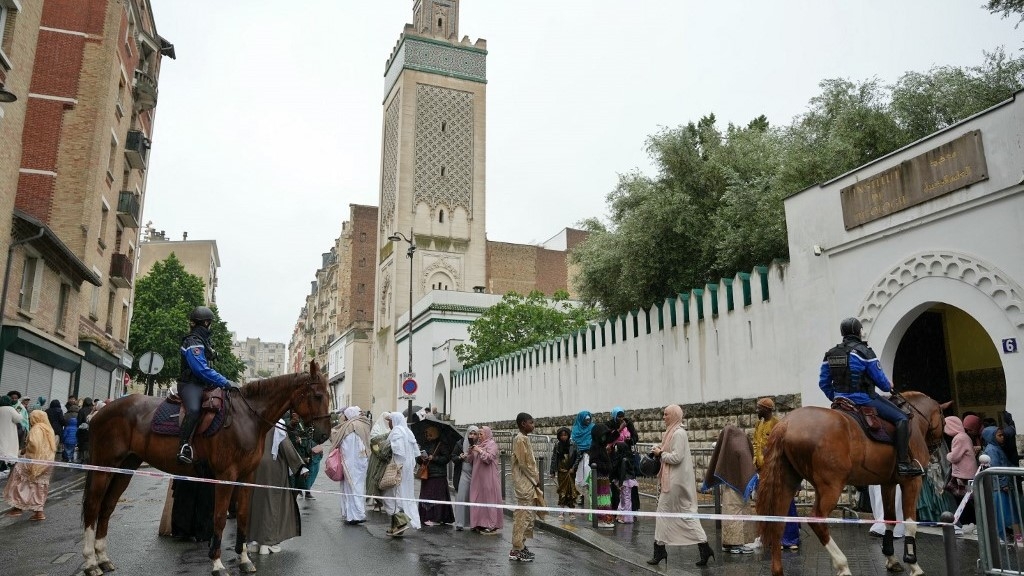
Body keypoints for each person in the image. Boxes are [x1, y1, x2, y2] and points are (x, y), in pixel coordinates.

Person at [819, 317, 923, 476]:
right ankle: (903, 463)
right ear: (858, 332)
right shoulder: (864, 352)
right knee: (902, 418)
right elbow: (881, 382)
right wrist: (889, 386)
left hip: (840, 400)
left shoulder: (831, 354)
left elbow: (824, 383)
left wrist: (837, 397)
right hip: (864, 399)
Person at [647, 404, 713, 567]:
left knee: (663, 512)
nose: (664, 417)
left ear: (675, 415)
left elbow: (676, 457)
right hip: (674, 480)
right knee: (684, 513)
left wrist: (660, 453)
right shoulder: (672, 432)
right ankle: (704, 548)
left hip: (675, 482)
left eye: (666, 414)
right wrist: (660, 449)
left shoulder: (678, 433)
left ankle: (660, 550)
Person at [176, 305, 235, 465]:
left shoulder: (202, 341)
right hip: (190, 385)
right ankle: (184, 446)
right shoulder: (192, 341)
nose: (211, 327)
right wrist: (225, 382)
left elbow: (207, 352)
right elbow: (200, 369)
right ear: (206, 323)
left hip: (203, 385)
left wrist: (213, 352)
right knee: (194, 411)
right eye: (210, 324)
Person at [248, 419, 308, 554]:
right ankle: (267, 543)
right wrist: (300, 467)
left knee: (257, 503)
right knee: (272, 504)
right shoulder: (278, 424)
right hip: (273, 468)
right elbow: (286, 447)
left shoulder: (257, 420)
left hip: (256, 465)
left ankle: (255, 541)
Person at [752, 396, 800, 550]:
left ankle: (791, 539)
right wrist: (756, 461)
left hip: (777, 471)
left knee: (786, 503)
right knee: (768, 505)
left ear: (766, 410)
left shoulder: (777, 425)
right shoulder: (758, 424)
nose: (757, 410)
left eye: (759, 408)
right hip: (763, 471)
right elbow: (755, 443)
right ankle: (772, 538)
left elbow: (783, 447)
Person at [700, 424, 756, 553]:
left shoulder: (726, 445)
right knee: (738, 512)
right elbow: (747, 460)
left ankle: (728, 543)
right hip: (740, 486)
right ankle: (736, 543)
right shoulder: (741, 443)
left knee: (730, 511)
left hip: (729, 487)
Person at [3, 410, 56, 520]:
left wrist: (25, 450)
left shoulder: (36, 428)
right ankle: (38, 512)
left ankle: (18, 507)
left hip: (33, 461)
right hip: (47, 462)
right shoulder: (48, 428)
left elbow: (34, 443)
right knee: (39, 486)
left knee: (18, 481)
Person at [329, 406, 371, 524]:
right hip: (362, 462)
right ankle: (357, 513)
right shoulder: (364, 424)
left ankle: (353, 515)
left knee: (351, 487)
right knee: (358, 487)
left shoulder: (350, 426)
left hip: (351, 461)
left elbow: (347, 446)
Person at [982, 426, 1022, 545]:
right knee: (1005, 513)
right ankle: (1009, 536)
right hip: (999, 487)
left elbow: (1006, 464)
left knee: (1009, 512)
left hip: (1003, 486)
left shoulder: (997, 448)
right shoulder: (991, 450)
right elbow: (996, 468)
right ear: (991, 437)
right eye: (999, 435)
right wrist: (1004, 483)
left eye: (1002, 435)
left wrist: (1018, 469)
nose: (1003, 437)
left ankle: (1015, 536)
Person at [384, 411, 421, 536]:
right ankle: (395, 526)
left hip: (397, 468)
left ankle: (400, 524)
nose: (389, 423)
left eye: (390, 420)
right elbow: (416, 452)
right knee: (404, 494)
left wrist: (387, 447)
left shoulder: (397, 431)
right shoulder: (408, 431)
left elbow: (397, 450)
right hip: (407, 469)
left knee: (392, 494)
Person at [510, 412, 539, 562]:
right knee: (522, 515)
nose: (533, 425)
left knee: (527, 515)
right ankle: (517, 548)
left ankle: (521, 544)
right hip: (524, 483)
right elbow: (523, 463)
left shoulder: (524, 438)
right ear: (523, 424)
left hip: (528, 482)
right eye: (531, 422)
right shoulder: (520, 439)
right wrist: (534, 479)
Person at [417, 421, 455, 526]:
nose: (428, 437)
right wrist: (421, 458)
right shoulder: (424, 444)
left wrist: (434, 458)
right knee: (426, 496)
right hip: (427, 474)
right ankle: (426, 516)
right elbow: (418, 460)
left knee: (437, 497)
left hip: (438, 475)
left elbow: (446, 458)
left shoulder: (441, 444)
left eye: (430, 434)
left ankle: (437, 517)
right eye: (426, 434)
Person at [467, 425, 503, 534]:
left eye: (481, 434)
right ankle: (479, 523)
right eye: (478, 434)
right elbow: (470, 460)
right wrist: (469, 452)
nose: (479, 436)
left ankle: (492, 525)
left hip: (489, 477)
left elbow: (488, 458)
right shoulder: (478, 445)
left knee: (489, 499)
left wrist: (479, 450)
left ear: (487, 434)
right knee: (477, 498)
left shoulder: (492, 445)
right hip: (478, 478)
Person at [944, 416, 977, 532]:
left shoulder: (959, 438)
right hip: (967, 473)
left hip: (962, 475)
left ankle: (969, 523)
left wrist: (947, 455)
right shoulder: (964, 436)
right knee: (966, 499)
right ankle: (969, 522)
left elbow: (954, 457)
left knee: (963, 500)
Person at [606, 406, 639, 512]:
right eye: (618, 416)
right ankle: (615, 507)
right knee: (615, 482)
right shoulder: (610, 424)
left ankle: (631, 508)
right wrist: (620, 428)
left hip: (626, 455)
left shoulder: (628, 423)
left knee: (628, 482)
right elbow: (608, 437)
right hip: (614, 457)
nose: (621, 418)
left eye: (622, 416)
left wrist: (630, 440)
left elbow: (635, 437)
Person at [549, 426, 579, 520]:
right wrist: (552, 471)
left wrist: (573, 468)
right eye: (561, 435)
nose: (563, 437)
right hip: (561, 472)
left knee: (571, 491)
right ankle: (561, 511)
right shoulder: (557, 445)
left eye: (565, 435)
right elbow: (554, 458)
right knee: (562, 492)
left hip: (570, 472)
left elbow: (578, 457)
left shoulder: (573, 444)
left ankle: (571, 511)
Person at [452, 425, 479, 531]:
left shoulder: (480, 445)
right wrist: (460, 457)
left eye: (475, 434)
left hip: (476, 475)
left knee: (474, 499)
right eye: (470, 433)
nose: (472, 436)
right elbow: (453, 456)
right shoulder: (460, 443)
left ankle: (474, 523)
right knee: (462, 497)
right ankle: (460, 522)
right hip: (463, 473)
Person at [589, 423, 615, 529]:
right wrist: (605, 467)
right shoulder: (595, 447)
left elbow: (612, 437)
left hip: (604, 478)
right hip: (599, 478)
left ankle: (606, 519)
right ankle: (601, 519)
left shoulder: (602, 446)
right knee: (600, 499)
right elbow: (592, 462)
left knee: (606, 499)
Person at [365, 411, 392, 510]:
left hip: (387, 459)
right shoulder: (376, 428)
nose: (388, 421)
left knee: (386, 481)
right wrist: (381, 453)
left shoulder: (392, 428)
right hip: (377, 458)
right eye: (386, 419)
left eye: (389, 420)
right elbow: (373, 442)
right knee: (374, 479)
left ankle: (385, 503)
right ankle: (376, 502)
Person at [611, 441, 638, 524]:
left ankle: (627, 518)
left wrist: (620, 483)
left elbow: (623, 472)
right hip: (626, 481)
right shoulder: (626, 458)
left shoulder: (623, 459)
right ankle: (622, 516)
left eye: (617, 449)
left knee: (625, 499)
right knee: (623, 498)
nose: (615, 450)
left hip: (625, 481)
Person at [571, 410, 594, 503]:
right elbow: (574, 442)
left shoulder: (592, 427)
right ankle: (581, 495)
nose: (588, 421)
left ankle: (591, 495)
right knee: (579, 476)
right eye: (586, 420)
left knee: (589, 475)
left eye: (589, 419)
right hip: (578, 456)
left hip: (589, 454)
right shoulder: (576, 429)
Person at [0, 396, 22, 479]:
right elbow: (18, 419)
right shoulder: (10, 409)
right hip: (8, 432)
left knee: (1, 448)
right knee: (8, 449)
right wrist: (18, 411)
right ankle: (5, 467)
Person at [76, 398, 94, 464]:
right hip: (91, 430)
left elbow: (78, 421)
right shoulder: (93, 410)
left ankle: (82, 458)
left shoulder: (81, 410)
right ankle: (88, 458)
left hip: (82, 430)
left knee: (82, 444)